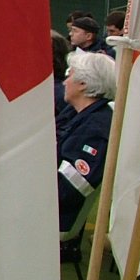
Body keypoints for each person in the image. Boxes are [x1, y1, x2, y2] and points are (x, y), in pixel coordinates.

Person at [56, 51, 115, 233]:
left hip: (56, 216)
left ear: (83, 83)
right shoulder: (78, 114)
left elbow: (67, 189)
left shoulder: (96, 128)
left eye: (69, 75)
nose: (65, 82)